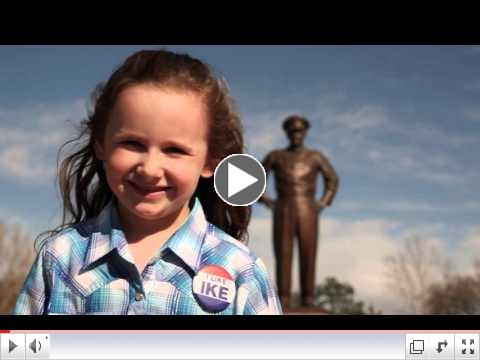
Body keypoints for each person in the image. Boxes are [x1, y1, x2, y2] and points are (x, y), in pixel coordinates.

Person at [13, 49, 282, 315]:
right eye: (132, 143)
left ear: (210, 162)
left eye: (174, 150)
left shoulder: (240, 271)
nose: (150, 169)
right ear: (101, 145)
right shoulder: (61, 257)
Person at [258, 115, 339, 309]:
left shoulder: (315, 157)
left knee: (308, 254)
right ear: (287, 133)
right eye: (292, 132)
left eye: (299, 132)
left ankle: (308, 299)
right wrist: (266, 199)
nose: (296, 135)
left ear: (305, 134)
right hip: (283, 209)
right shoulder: (276, 156)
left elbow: (332, 180)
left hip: (308, 210)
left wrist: (322, 203)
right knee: (283, 254)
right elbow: (256, 179)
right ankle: (284, 300)